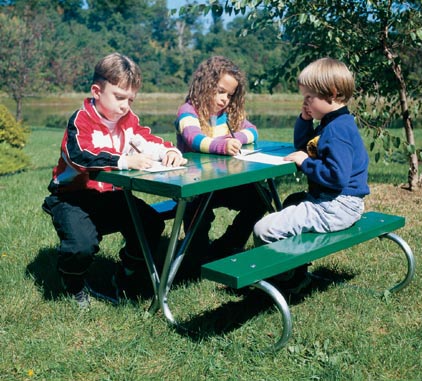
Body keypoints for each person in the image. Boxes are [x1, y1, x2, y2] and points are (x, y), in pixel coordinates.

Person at [42, 52, 187, 308]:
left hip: (111, 195)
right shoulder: (81, 120)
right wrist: (123, 161)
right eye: (119, 97)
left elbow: (146, 140)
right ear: (97, 91)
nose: (125, 105)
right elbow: (79, 155)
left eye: (130, 99)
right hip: (72, 197)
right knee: (80, 245)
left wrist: (169, 151)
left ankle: (127, 272)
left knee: (151, 224)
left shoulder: (128, 120)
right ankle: (72, 282)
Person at [254, 57, 370, 292]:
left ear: (332, 93)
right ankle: (296, 271)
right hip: (338, 202)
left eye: (309, 97)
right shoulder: (332, 122)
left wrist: (306, 163)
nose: (305, 102)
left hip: (337, 206)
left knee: (263, 229)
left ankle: (285, 280)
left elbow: (336, 176)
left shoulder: (336, 130)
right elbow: (305, 146)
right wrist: (305, 120)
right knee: (292, 202)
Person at [175, 55, 269, 263]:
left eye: (230, 94)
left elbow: (253, 131)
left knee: (260, 197)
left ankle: (228, 244)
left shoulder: (227, 114)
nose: (224, 99)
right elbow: (193, 139)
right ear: (204, 85)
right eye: (220, 91)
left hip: (221, 182)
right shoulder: (188, 111)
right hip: (193, 185)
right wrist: (221, 145)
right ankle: (196, 255)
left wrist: (236, 137)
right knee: (198, 211)